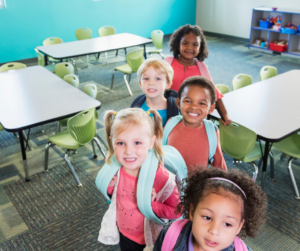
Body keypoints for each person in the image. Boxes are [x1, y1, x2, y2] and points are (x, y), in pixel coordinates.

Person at [97, 108, 181, 251]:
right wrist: (110, 187)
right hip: (124, 233)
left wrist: (152, 204)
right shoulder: (115, 168)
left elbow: (177, 211)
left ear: (151, 142)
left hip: (150, 239)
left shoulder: (160, 176)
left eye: (137, 143)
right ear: (112, 143)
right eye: (121, 143)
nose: (128, 151)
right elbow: (116, 197)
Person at [153, 168, 268, 251]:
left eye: (227, 224)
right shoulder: (171, 235)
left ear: (239, 227)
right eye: (207, 217)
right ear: (192, 212)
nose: (214, 230)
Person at [165, 24, 232, 126]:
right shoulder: (167, 63)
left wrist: (225, 115)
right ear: (178, 45)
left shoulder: (201, 68)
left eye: (195, 44)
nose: (190, 48)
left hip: (192, 115)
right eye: (185, 43)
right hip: (168, 114)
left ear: (200, 48)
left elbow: (214, 92)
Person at [164, 76, 227, 171]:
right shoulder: (171, 123)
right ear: (178, 103)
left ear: (211, 108)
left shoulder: (212, 131)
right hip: (169, 184)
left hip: (197, 185)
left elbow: (219, 164)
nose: (193, 107)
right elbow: (159, 151)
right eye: (188, 101)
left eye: (201, 103)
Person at [131, 58, 178, 126]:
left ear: (167, 84)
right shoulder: (136, 105)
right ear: (140, 83)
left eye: (158, 79)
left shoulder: (176, 110)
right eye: (146, 78)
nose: (151, 83)